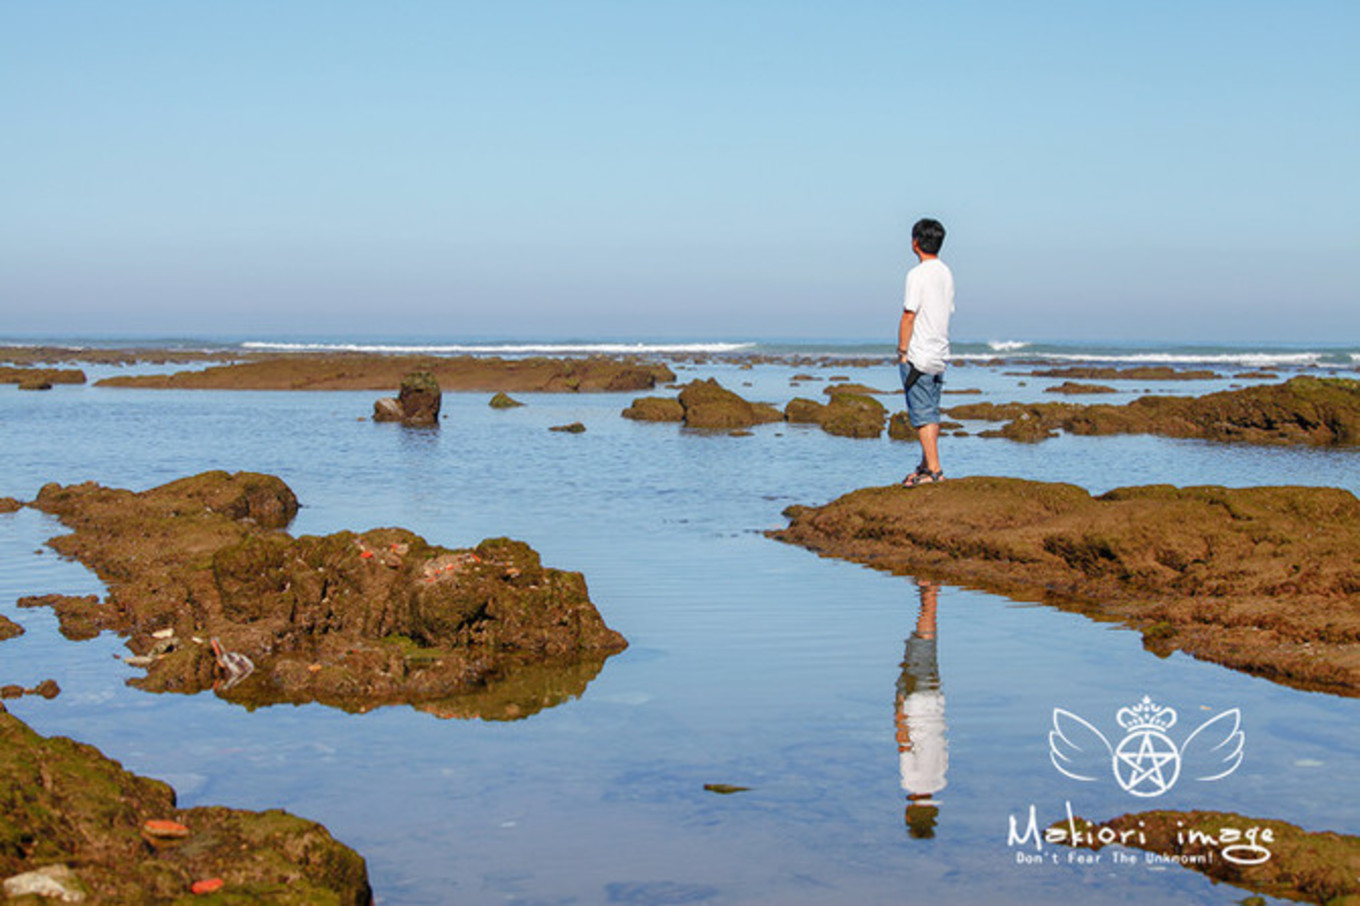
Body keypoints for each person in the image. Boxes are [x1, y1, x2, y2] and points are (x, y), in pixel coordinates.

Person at [896, 218, 955, 487]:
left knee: (922, 414)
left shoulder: (916, 274)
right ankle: (924, 465)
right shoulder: (945, 272)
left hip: (919, 354)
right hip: (940, 352)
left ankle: (934, 470)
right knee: (930, 410)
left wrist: (902, 351)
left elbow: (909, 314)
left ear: (915, 242)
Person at [895, 580, 947, 839]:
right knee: (923, 643)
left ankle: (929, 592)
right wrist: (900, 706)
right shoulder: (910, 782)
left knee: (926, 643)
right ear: (910, 814)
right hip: (918, 706)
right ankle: (929, 591)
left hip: (935, 705)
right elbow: (903, 740)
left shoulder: (940, 781)